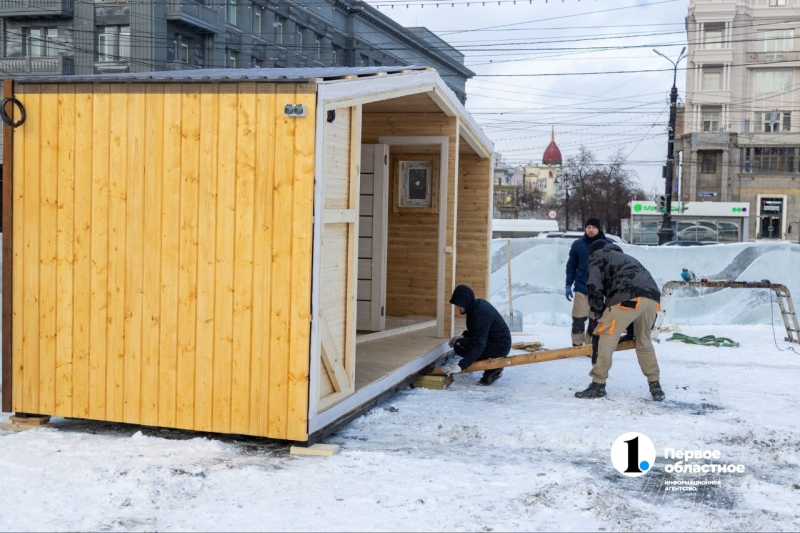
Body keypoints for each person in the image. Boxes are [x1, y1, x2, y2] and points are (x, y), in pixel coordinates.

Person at [575, 240, 665, 401]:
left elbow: (594, 285)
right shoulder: (626, 258)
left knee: (604, 339)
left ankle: (598, 385)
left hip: (627, 298)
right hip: (653, 300)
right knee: (643, 340)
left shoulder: (598, 255)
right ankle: (655, 384)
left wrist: (597, 311)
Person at [436, 285, 512, 386]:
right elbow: (476, 331)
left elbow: (479, 344)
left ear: (465, 302)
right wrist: (463, 336)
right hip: (492, 341)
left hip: (499, 347)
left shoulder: (481, 314)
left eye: (459, 305)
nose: (457, 308)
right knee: (459, 344)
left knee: (460, 346)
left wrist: (461, 366)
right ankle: (491, 367)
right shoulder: (475, 308)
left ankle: (493, 368)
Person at [565, 218, 612, 347]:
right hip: (582, 287)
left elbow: (613, 267)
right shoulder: (578, 244)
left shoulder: (608, 244)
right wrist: (568, 284)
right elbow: (571, 266)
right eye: (588, 227)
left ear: (599, 229)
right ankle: (577, 345)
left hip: (600, 289)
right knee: (578, 319)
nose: (590, 230)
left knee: (595, 320)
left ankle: (591, 346)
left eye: (593, 227)